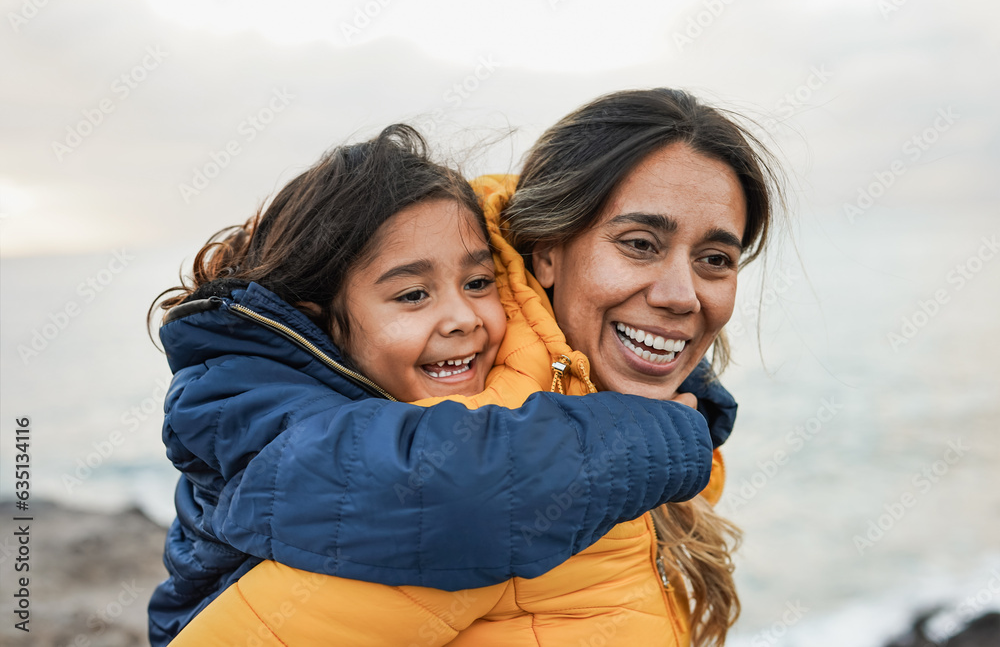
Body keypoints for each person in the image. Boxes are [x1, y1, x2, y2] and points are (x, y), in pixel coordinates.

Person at [165, 88, 780, 646]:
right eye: (640, 243)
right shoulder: (485, 441)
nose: (682, 294)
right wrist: (663, 443)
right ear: (546, 252)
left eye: (716, 258)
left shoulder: (607, 408)